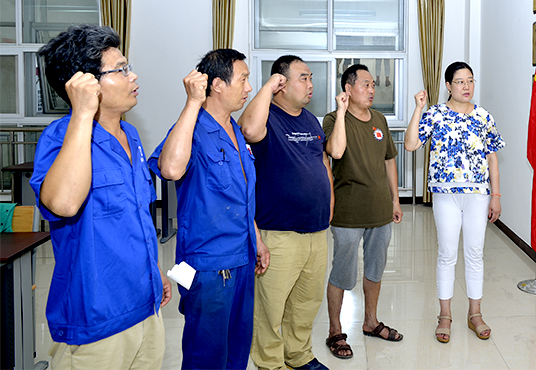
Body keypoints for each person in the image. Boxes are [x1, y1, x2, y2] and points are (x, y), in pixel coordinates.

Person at [30, 24, 170, 369]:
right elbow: (64, 204)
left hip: (145, 304)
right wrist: (82, 113)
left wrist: (154, 271)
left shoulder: (130, 134)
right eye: (120, 69)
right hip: (97, 320)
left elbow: (135, 215)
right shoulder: (62, 138)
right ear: (85, 83)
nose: (132, 76)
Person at [148, 49, 268, 370]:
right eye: (243, 80)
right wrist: (191, 103)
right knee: (206, 355)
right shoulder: (193, 129)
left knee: (236, 349)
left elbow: (241, 195)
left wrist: (256, 239)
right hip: (210, 265)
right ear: (217, 85)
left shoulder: (235, 132)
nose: (248, 88)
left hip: (242, 257)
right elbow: (170, 168)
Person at [239, 55, 332, 370]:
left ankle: (298, 354)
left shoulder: (310, 120)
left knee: (306, 302)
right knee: (270, 306)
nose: (310, 84)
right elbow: (248, 129)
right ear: (281, 83)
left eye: (311, 77)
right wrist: (267, 88)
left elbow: (321, 161)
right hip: (278, 232)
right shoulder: (267, 116)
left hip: (315, 230)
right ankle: (269, 363)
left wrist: (329, 201)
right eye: (303, 77)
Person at [404, 61, 505, 343]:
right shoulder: (435, 114)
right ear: (448, 86)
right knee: (447, 254)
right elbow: (411, 144)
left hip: (477, 194)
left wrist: (496, 196)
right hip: (445, 193)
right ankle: (445, 315)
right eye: (460, 82)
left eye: (470, 80)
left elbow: (492, 159)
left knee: (474, 253)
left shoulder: (483, 116)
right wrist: (418, 109)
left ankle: (475, 314)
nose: (466, 86)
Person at [322, 64, 403, 360]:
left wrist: (395, 200)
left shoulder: (379, 118)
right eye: (365, 84)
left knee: (375, 269)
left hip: (379, 209)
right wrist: (342, 112)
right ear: (348, 88)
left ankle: (370, 321)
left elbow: (389, 160)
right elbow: (335, 151)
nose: (371, 90)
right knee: (342, 272)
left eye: (373, 85)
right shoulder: (333, 119)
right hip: (348, 212)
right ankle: (335, 330)